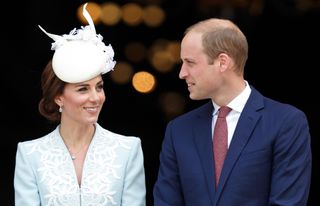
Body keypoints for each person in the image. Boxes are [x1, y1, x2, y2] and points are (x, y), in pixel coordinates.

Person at [153, 18, 312, 206]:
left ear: (222, 62)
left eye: (190, 62)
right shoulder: (178, 130)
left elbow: (288, 202)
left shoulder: (286, 122)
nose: (182, 73)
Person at [14, 3, 146, 206]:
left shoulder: (128, 149)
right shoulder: (30, 154)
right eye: (83, 89)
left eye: (99, 87)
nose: (95, 97)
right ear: (59, 96)